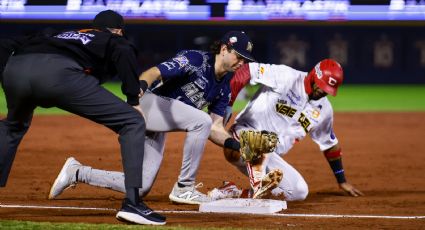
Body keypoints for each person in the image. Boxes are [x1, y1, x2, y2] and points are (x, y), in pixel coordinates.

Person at [48, 31, 256, 204]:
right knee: (200, 120)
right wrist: (139, 89)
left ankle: (77, 172)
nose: (241, 63)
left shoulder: (224, 87)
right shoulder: (197, 59)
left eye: (245, 60)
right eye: (238, 56)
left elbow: (215, 127)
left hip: (162, 120)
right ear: (223, 49)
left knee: (141, 187)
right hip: (149, 104)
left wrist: (237, 146)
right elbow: (154, 72)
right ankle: (185, 187)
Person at [0, 10, 166, 225]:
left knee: (12, 127)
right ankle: (133, 204)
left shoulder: (61, 35)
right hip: (59, 74)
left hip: (16, 70)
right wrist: (133, 99)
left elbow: (5, 44)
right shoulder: (111, 38)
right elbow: (123, 49)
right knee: (131, 121)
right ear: (117, 30)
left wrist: (6, 73)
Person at [208, 59, 364, 201]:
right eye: (322, 85)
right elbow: (247, 70)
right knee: (263, 142)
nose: (323, 91)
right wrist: (228, 104)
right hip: (241, 141)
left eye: (328, 90)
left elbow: (330, 145)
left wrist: (342, 181)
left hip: (269, 156)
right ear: (314, 75)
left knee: (298, 192)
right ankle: (258, 189)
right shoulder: (286, 76)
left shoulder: (324, 110)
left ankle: (233, 192)